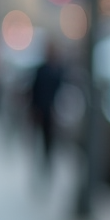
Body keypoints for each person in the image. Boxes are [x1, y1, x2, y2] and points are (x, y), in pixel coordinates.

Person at [29, 41, 66, 184]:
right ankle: (41, 169)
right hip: (41, 112)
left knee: (48, 144)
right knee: (40, 143)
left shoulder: (57, 71)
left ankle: (46, 168)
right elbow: (34, 91)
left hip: (51, 113)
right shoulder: (43, 70)